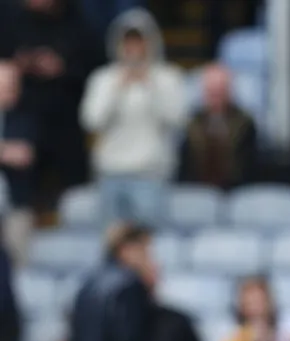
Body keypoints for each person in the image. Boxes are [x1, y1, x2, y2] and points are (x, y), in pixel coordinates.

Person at [80, 8, 187, 226]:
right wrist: (118, 87)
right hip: (110, 172)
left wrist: (150, 85)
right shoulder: (103, 79)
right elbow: (91, 121)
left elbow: (177, 119)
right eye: (128, 42)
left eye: (139, 42)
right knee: (112, 243)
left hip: (151, 174)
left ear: (151, 42)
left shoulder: (168, 77)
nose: (134, 48)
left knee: (148, 243)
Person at [0, 0, 100, 208]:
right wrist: (23, 63)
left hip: (66, 116)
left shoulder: (78, 22)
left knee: (75, 190)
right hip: (21, 114)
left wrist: (62, 67)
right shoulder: (11, 20)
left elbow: (95, 69)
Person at [178, 63, 259, 190]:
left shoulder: (245, 123)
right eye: (211, 92)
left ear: (229, 91)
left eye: (220, 91)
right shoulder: (192, 123)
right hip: (198, 191)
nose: (216, 97)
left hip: (235, 191)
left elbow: (249, 167)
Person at [0, 60, 37, 266]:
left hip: (16, 205)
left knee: (18, 266)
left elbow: (24, 155)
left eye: (12, 83)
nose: (8, 89)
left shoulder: (25, 117)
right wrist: (7, 150)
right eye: (3, 84)